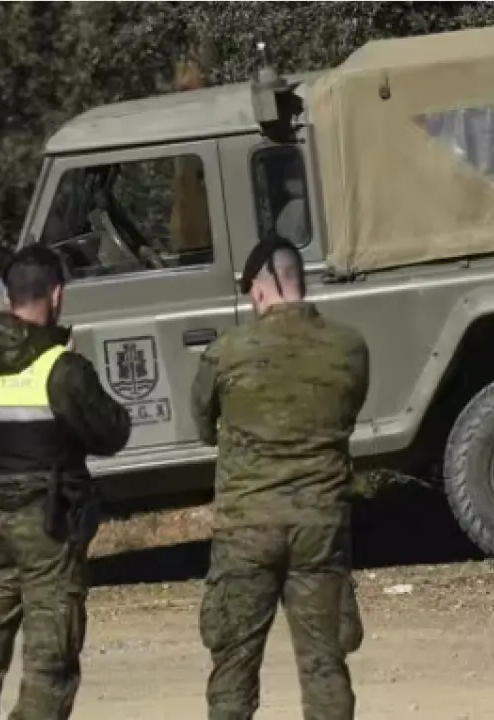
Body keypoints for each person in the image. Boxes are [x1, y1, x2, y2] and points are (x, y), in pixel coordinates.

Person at [0, 244, 132, 720]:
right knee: (51, 660)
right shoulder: (60, 368)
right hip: (48, 525)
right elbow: (112, 433)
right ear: (57, 295)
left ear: (7, 297)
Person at [190, 237, 371, 720]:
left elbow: (203, 426)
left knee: (233, 667)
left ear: (258, 288)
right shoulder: (349, 347)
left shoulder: (226, 352)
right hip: (320, 527)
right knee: (325, 664)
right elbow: (348, 414)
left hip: (246, 529)